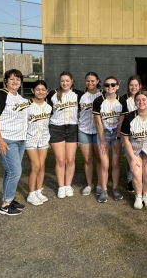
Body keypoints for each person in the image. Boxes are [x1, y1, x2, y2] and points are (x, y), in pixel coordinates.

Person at [0, 69, 29, 216]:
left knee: (11, 171)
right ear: (5, 80)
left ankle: (9, 199)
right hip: (6, 140)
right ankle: (5, 205)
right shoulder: (0, 96)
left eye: (18, 79)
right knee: (15, 172)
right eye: (11, 79)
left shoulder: (19, 97)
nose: (15, 81)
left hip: (19, 139)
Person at [47, 71, 84, 199]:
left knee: (70, 160)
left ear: (72, 81)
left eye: (67, 80)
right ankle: (61, 186)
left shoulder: (78, 94)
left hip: (72, 128)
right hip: (56, 128)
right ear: (59, 82)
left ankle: (68, 185)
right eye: (62, 81)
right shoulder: (52, 94)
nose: (65, 83)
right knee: (60, 160)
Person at [93, 76, 128, 203]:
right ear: (104, 87)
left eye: (113, 85)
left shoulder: (122, 101)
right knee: (104, 164)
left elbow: (121, 121)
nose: (110, 87)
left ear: (117, 86)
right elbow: (98, 122)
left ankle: (115, 188)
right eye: (107, 85)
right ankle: (103, 189)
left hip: (116, 133)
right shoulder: (98, 101)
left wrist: (118, 138)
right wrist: (102, 140)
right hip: (103, 133)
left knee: (114, 163)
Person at [25, 80, 53, 206]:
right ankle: (31, 194)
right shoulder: (27, 105)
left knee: (42, 166)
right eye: (37, 89)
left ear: (46, 91)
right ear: (32, 91)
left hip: (44, 138)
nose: (40, 92)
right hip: (30, 138)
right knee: (35, 166)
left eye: (43, 89)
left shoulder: (49, 105)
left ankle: (38, 190)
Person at [78, 72, 102, 196]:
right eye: (88, 81)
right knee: (88, 159)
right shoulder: (81, 95)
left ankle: (99, 185)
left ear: (97, 81)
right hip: (84, 130)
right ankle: (89, 184)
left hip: (98, 131)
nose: (90, 83)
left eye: (93, 81)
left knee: (99, 159)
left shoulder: (103, 95)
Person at [120, 75, 142, 193]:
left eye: (136, 85)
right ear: (128, 86)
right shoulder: (123, 99)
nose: (133, 87)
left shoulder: (143, 98)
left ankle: (140, 178)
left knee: (141, 155)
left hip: (142, 132)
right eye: (131, 85)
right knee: (130, 155)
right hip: (128, 132)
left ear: (140, 86)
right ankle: (130, 180)